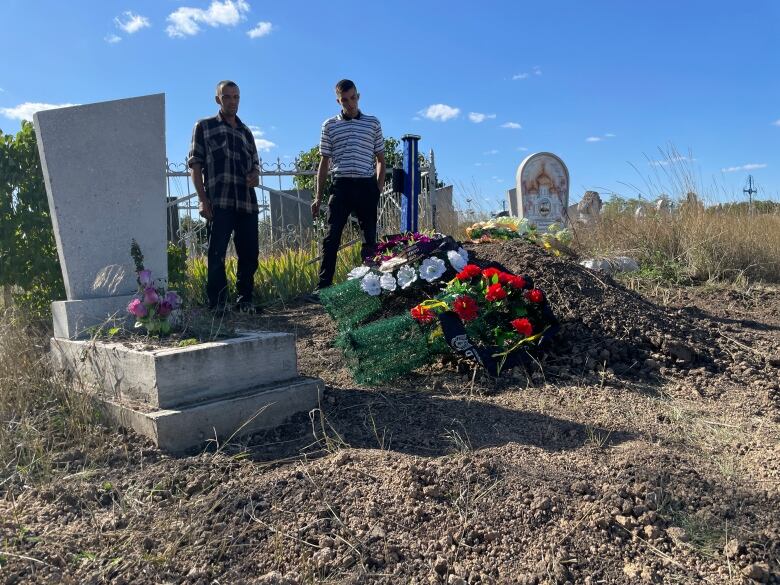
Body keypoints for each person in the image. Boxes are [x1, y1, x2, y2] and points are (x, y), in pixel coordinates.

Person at [188, 80, 261, 312]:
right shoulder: (204, 126)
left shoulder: (246, 132)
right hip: (219, 200)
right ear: (217, 99)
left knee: (250, 254)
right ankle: (218, 303)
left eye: (236, 97)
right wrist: (202, 198)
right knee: (216, 253)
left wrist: (255, 174)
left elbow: (256, 164)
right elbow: (195, 165)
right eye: (227, 96)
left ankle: (245, 299)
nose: (232, 101)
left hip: (246, 201)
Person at [311, 79, 386, 292]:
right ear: (338, 101)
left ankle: (370, 286)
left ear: (358, 96)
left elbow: (381, 158)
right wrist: (318, 196)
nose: (350, 103)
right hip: (341, 185)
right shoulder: (329, 125)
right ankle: (323, 287)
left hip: (366, 185)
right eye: (345, 100)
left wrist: (378, 188)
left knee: (369, 237)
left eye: (353, 98)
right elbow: (324, 163)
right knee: (331, 237)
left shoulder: (373, 123)